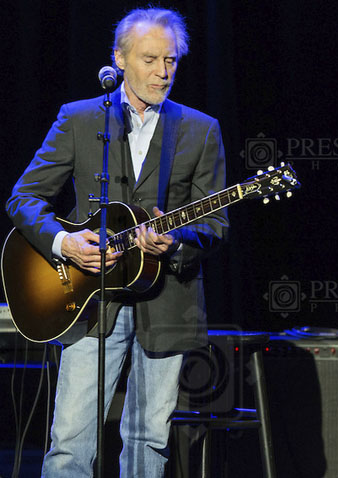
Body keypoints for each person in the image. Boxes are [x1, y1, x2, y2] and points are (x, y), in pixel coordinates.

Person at [5, 7, 227, 477]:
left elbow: (216, 225)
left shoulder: (200, 129)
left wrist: (177, 241)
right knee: (70, 441)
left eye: (171, 60)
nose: (163, 73)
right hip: (88, 302)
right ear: (119, 60)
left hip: (167, 301)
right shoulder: (80, 119)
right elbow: (23, 197)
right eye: (150, 59)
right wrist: (64, 242)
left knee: (149, 441)